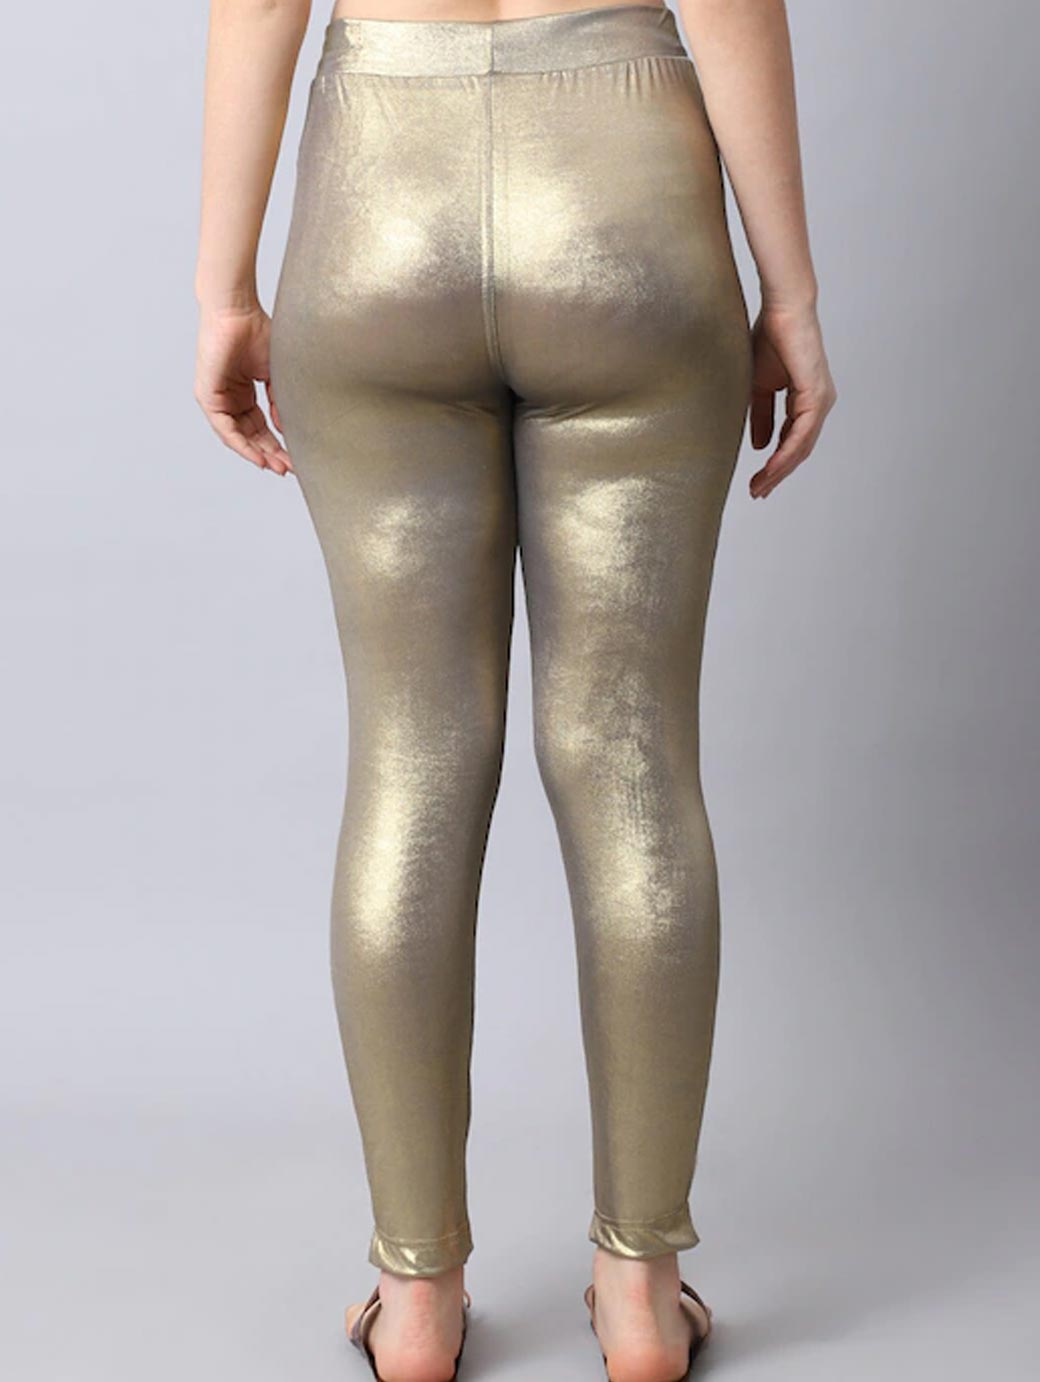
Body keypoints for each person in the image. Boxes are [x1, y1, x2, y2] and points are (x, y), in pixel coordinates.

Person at [193, 0, 836, 1377]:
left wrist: (223, 286)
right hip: (627, 191)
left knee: (410, 759)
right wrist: (789, 292)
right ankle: (641, 1291)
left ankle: (415, 1298)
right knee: (632, 757)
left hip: (381, 198)